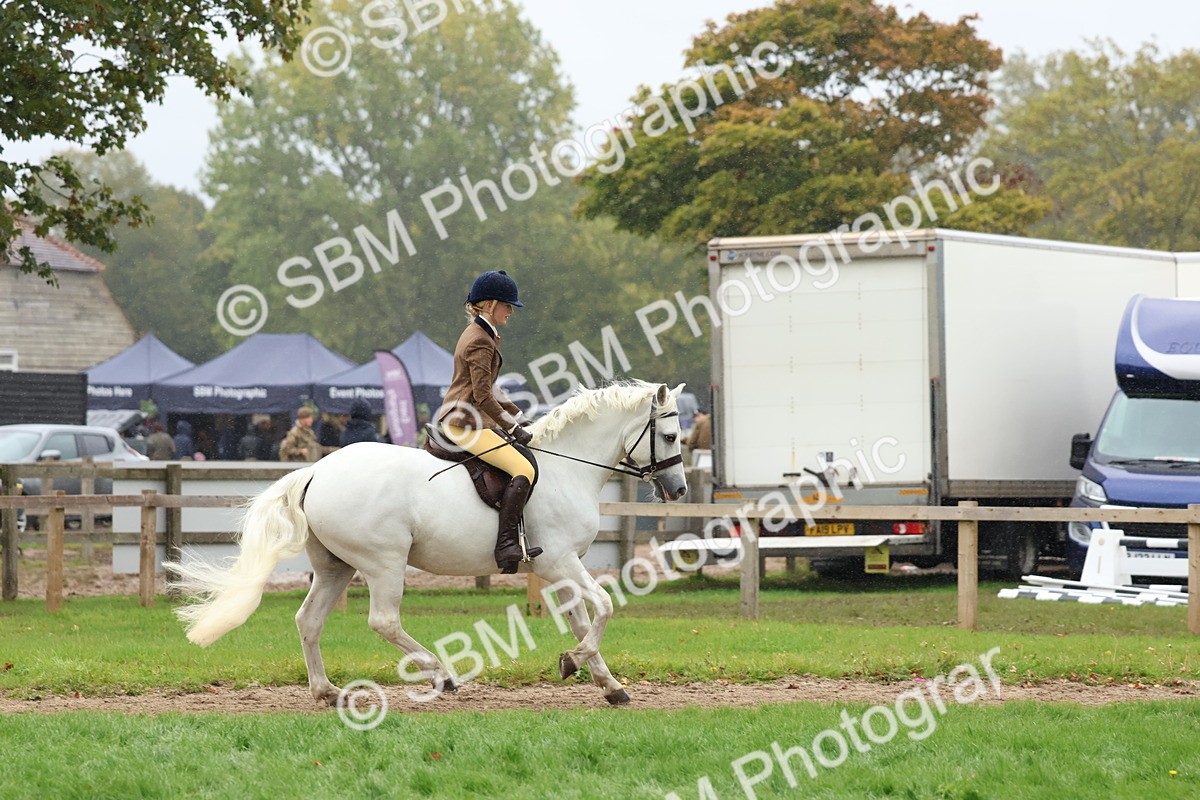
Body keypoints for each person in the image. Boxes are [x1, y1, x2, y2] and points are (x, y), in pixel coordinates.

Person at [435, 269, 541, 573]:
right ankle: (506, 544)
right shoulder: (480, 340)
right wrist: (512, 428)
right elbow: (482, 396)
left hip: (468, 419)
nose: (511, 311)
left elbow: (491, 387)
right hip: (465, 423)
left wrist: (518, 416)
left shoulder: (482, 334)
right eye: (507, 305)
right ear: (491, 304)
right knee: (523, 468)